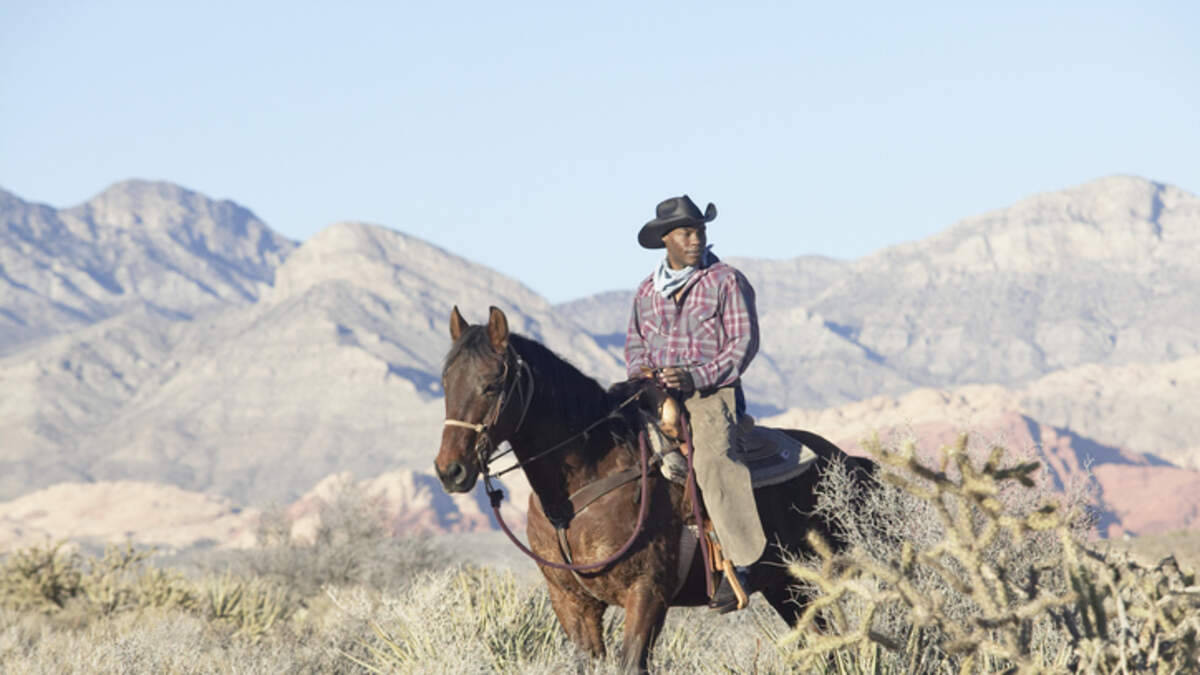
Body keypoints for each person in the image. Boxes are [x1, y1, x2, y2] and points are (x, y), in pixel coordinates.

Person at [624, 194, 765, 612]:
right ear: (665, 239)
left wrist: (694, 377)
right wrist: (646, 378)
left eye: (699, 231)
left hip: (712, 392)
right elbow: (635, 347)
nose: (696, 239)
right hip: (657, 394)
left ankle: (741, 563)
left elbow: (742, 344)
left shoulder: (726, 281)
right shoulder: (646, 291)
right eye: (686, 233)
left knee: (713, 460)